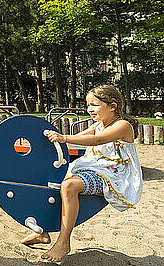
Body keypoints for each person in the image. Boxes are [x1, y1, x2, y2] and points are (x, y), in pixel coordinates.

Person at [23, 85, 143, 262]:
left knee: (69, 186)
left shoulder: (123, 126)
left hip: (110, 174)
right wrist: (52, 138)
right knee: (50, 180)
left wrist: (64, 138)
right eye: (88, 105)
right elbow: (76, 139)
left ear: (113, 106)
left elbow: (98, 139)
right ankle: (43, 232)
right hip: (92, 168)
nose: (89, 110)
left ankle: (64, 243)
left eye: (94, 105)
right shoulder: (99, 125)